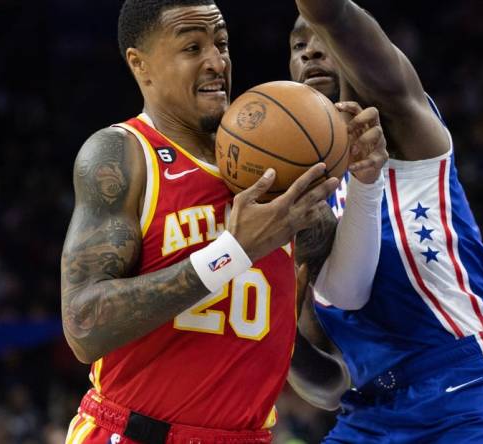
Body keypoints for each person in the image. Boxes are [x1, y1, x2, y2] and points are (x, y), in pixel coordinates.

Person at [59, 1, 386, 443]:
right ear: (141, 64)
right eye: (192, 47)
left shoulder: (278, 167)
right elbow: (83, 326)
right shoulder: (124, 154)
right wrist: (233, 252)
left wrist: (366, 182)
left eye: (222, 44)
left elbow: (329, 363)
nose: (217, 62)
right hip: (134, 433)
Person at [286, 1, 483, 443]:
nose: (310, 52)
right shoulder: (306, 205)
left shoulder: (404, 127)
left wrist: (324, 19)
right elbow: (330, 389)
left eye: (319, 41)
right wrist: (284, 341)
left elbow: (332, 14)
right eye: (297, 45)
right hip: (369, 415)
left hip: (469, 388)